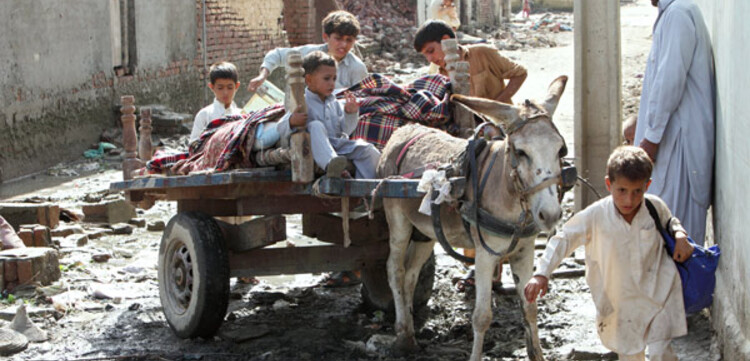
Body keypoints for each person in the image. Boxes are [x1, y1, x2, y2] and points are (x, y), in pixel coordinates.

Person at [525, 146, 694, 361]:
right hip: (620, 304)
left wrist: (680, 235)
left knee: (662, 354)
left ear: (647, 186)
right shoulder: (595, 215)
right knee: (631, 355)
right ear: (608, 184)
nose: (629, 200)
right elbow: (564, 239)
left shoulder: (654, 207)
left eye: (637, 192)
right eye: (621, 190)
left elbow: (670, 222)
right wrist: (542, 273)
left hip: (659, 294)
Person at [634, 0, 715, 245]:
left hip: (678, 144)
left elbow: (669, 82)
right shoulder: (673, 13)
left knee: (674, 233)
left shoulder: (678, 14)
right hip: (672, 142)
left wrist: (650, 139)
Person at [277, 51, 380, 180]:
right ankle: (332, 166)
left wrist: (350, 113)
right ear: (309, 79)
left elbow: (346, 130)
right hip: (315, 149)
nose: (332, 83)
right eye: (326, 78)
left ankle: (366, 190)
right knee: (315, 125)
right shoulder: (302, 102)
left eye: (334, 78)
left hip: (338, 145)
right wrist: (292, 121)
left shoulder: (334, 102)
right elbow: (280, 127)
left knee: (369, 150)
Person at [247, 10, 368, 94]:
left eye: (349, 40)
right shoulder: (310, 54)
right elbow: (277, 55)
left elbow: (360, 101)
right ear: (325, 37)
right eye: (338, 38)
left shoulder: (357, 68)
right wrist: (262, 76)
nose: (343, 45)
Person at [414, 20, 527, 104]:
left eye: (431, 51)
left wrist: (496, 105)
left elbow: (520, 73)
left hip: (500, 125)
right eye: (425, 55)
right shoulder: (441, 76)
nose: (430, 59)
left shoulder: (482, 53)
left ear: (446, 40)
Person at [189, 62, 242, 144]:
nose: (225, 92)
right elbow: (193, 144)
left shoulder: (241, 115)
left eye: (230, 87)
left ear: (237, 86)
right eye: (220, 88)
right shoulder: (204, 115)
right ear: (212, 87)